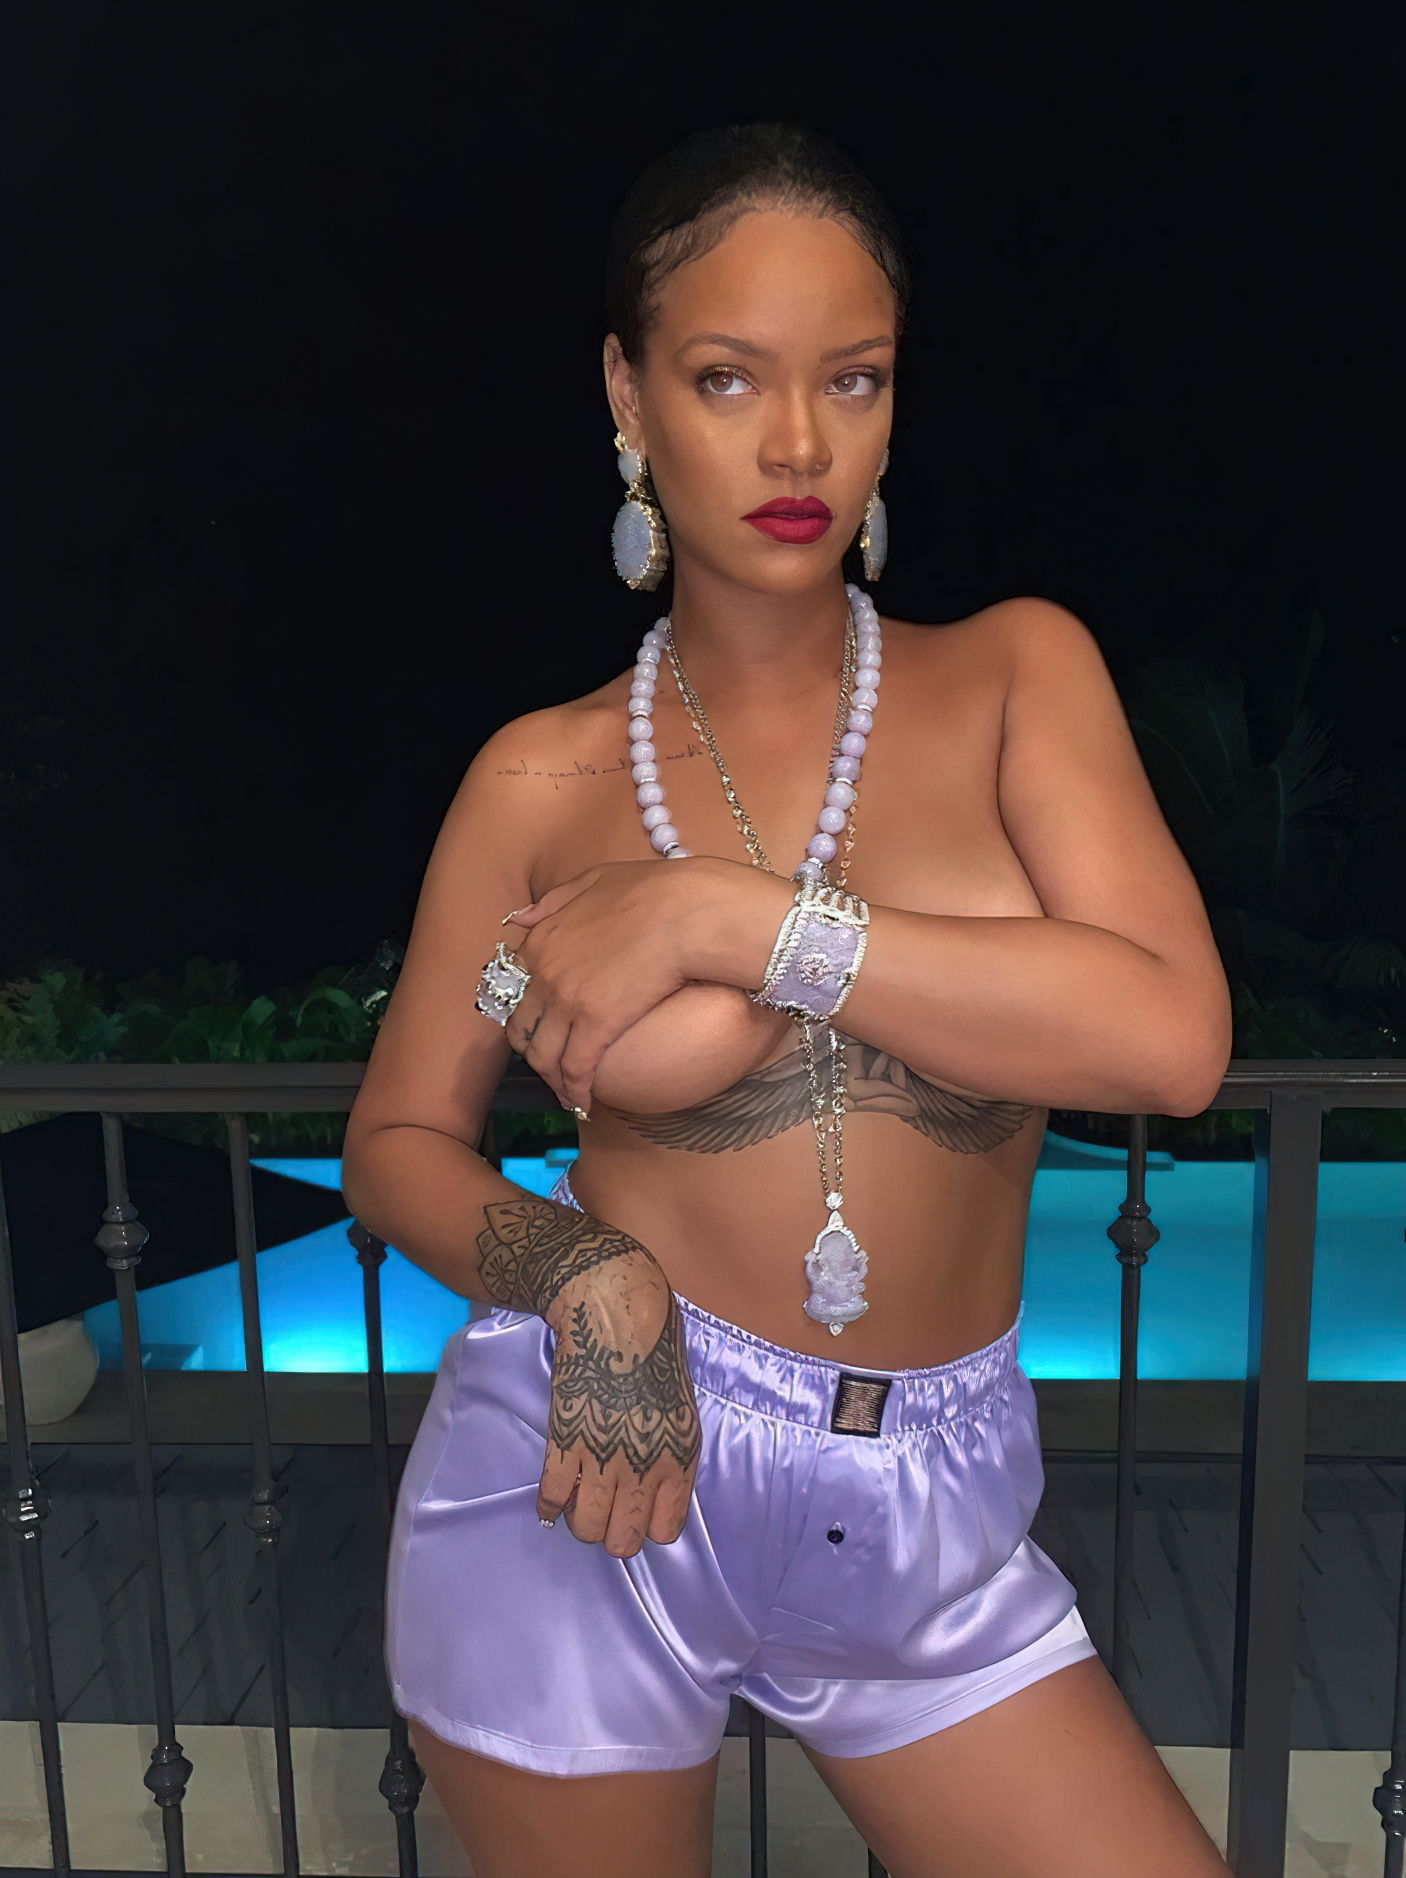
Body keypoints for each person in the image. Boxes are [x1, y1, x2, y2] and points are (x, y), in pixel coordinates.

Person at [340, 119, 1235, 1878]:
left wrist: (732, 918)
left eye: (853, 377)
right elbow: (396, 1140)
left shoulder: (1012, 678)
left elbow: (1171, 1039)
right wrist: (583, 1276)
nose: (799, 444)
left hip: (936, 1514)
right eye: (728, 377)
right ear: (628, 392)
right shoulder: (537, 779)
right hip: (591, 1476)